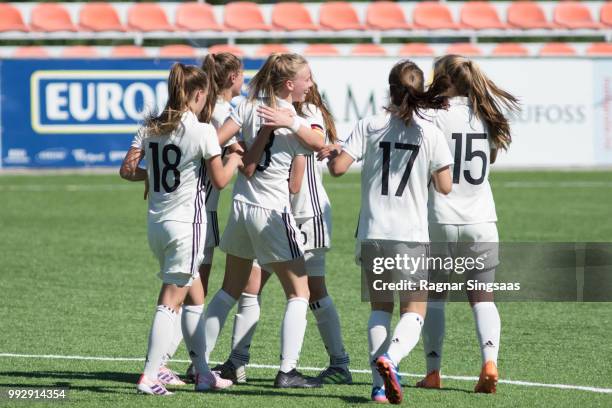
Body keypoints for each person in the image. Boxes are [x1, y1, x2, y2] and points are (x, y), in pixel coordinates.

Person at [322, 59, 453, 404]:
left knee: (380, 309)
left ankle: (378, 387)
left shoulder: (370, 125)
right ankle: (391, 360)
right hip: (410, 234)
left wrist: (338, 151)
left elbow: (337, 168)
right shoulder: (430, 132)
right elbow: (445, 187)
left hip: (373, 232)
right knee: (414, 310)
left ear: (390, 90)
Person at [212, 83, 352, 385]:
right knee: (252, 285)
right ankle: (236, 362)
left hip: (305, 213)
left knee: (313, 289)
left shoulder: (309, 113)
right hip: (275, 214)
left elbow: (296, 181)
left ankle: (339, 362)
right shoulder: (279, 112)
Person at [119, 62, 242, 395]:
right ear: (199, 94)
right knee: (171, 299)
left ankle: (203, 372)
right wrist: (236, 159)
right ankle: (149, 374)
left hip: (156, 224)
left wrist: (154, 175)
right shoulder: (202, 131)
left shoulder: (150, 126)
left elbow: (127, 170)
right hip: (186, 226)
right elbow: (220, 180)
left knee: (195, 296)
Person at [202, 53, 321, 388]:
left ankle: (199, 363)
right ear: (289, 84)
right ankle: (288, 371)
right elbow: (318, 142)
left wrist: (237, 147)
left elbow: (215, 139)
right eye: (307, 79)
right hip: (271, 212)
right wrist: (292, 123)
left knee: (228, 290)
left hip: (241, 207)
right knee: (300, 291)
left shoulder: (248, 105)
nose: (310, 84)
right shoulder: (291, 116)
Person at [416, 54, 519, 394]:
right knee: (482, 296)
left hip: (440, 217)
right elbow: (488, 159)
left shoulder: (431, 116)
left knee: (435, 296)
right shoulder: (487, 115)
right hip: (481, 218)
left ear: (441, 79)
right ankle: (490, 362)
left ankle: (433, 371)